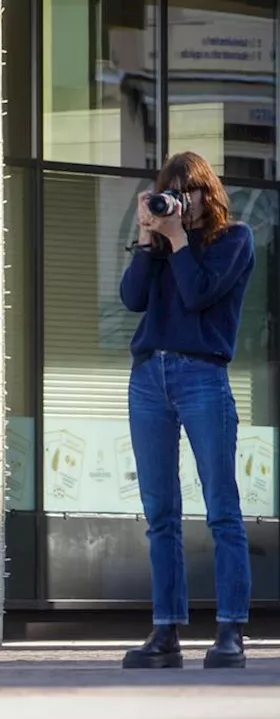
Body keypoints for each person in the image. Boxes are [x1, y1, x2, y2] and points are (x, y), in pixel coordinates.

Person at [118, 151, 256, 670]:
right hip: (148, 376)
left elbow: (199, 294)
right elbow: (132, 299)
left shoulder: (234, 239)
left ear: (207, 193)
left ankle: (230, 631)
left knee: (221, 508)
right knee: (161, 514)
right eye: (168, 192)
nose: (178, 201)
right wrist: (148, 239)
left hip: (202, 375)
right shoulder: (160, 245)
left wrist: (176, 238)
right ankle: (165, 632)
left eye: (186, 191)